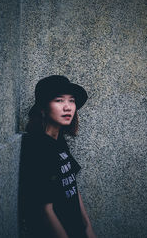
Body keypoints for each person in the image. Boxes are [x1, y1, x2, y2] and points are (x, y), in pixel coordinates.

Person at [18, 75, 96, 238]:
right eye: (59, 100)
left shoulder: (59, 141)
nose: (68, 107)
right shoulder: (36, 146)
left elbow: (72, 185)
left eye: (71, 100)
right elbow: (44, 210)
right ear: (43, 108)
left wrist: (87, 227)